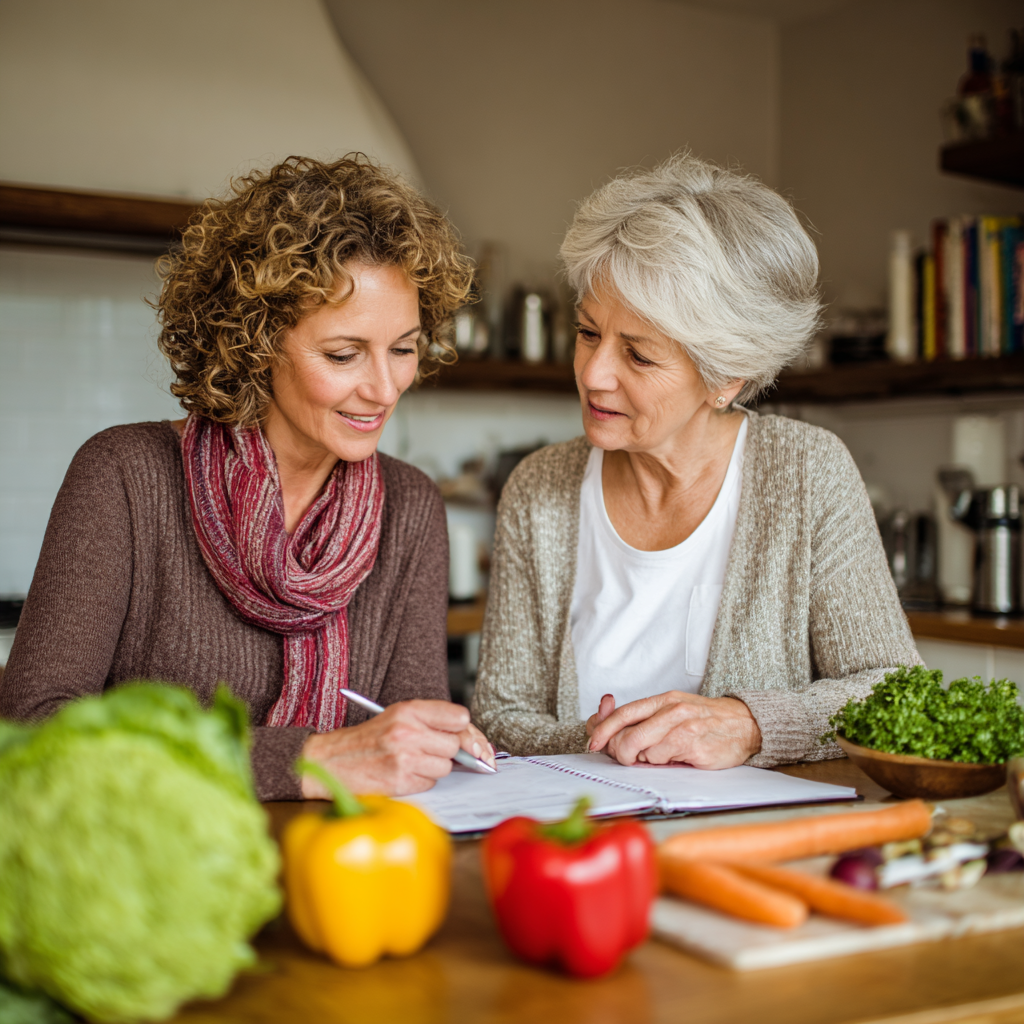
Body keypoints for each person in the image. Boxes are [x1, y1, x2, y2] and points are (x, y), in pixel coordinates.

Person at [1, 155, 495, 801]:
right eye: (343, 354)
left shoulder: (410, 505)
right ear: (254, 345)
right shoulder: (124, 475)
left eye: (403, 348)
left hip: (344, 861)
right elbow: (33, 731)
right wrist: (308, 759)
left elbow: (404, 740)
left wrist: (435, 744)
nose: (384, 388)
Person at [471, 154, 919, 770]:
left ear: (726, 378)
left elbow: (894, 692)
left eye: (639, 355)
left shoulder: (806, 472)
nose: (594, 374)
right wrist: (612, 743)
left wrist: (749, 724)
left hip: (757, 829)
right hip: (583, 823)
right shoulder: (539, 487)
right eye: (588, 333)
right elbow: (499, 716)